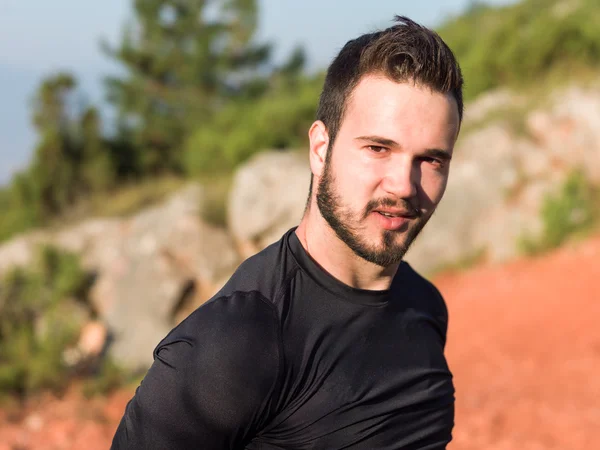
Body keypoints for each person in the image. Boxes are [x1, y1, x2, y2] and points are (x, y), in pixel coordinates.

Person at [111, 15, 464, 450]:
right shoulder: (234, 343)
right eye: (378, 148)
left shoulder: (424, 306)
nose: (403, 185)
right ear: (320, 148)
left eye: (431, 160)